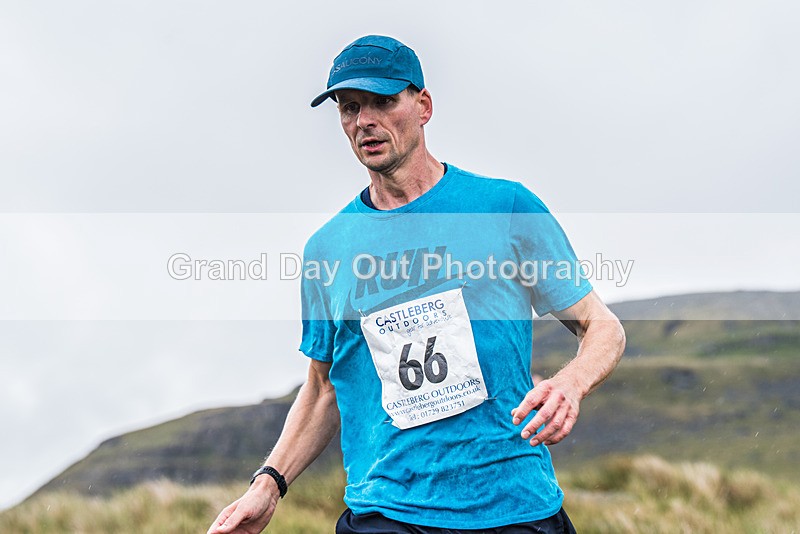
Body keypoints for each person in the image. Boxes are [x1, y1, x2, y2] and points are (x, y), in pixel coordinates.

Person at [208, 35, 625, 534]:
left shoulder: (504, 208)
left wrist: (571, 384)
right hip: (387, 511)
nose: (365, 120)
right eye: (350, 107)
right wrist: (268, 485)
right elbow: (323, 386)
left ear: (423, 106)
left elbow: (602, 327)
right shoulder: (328, 250)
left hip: (513, 504)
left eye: (383, 101)